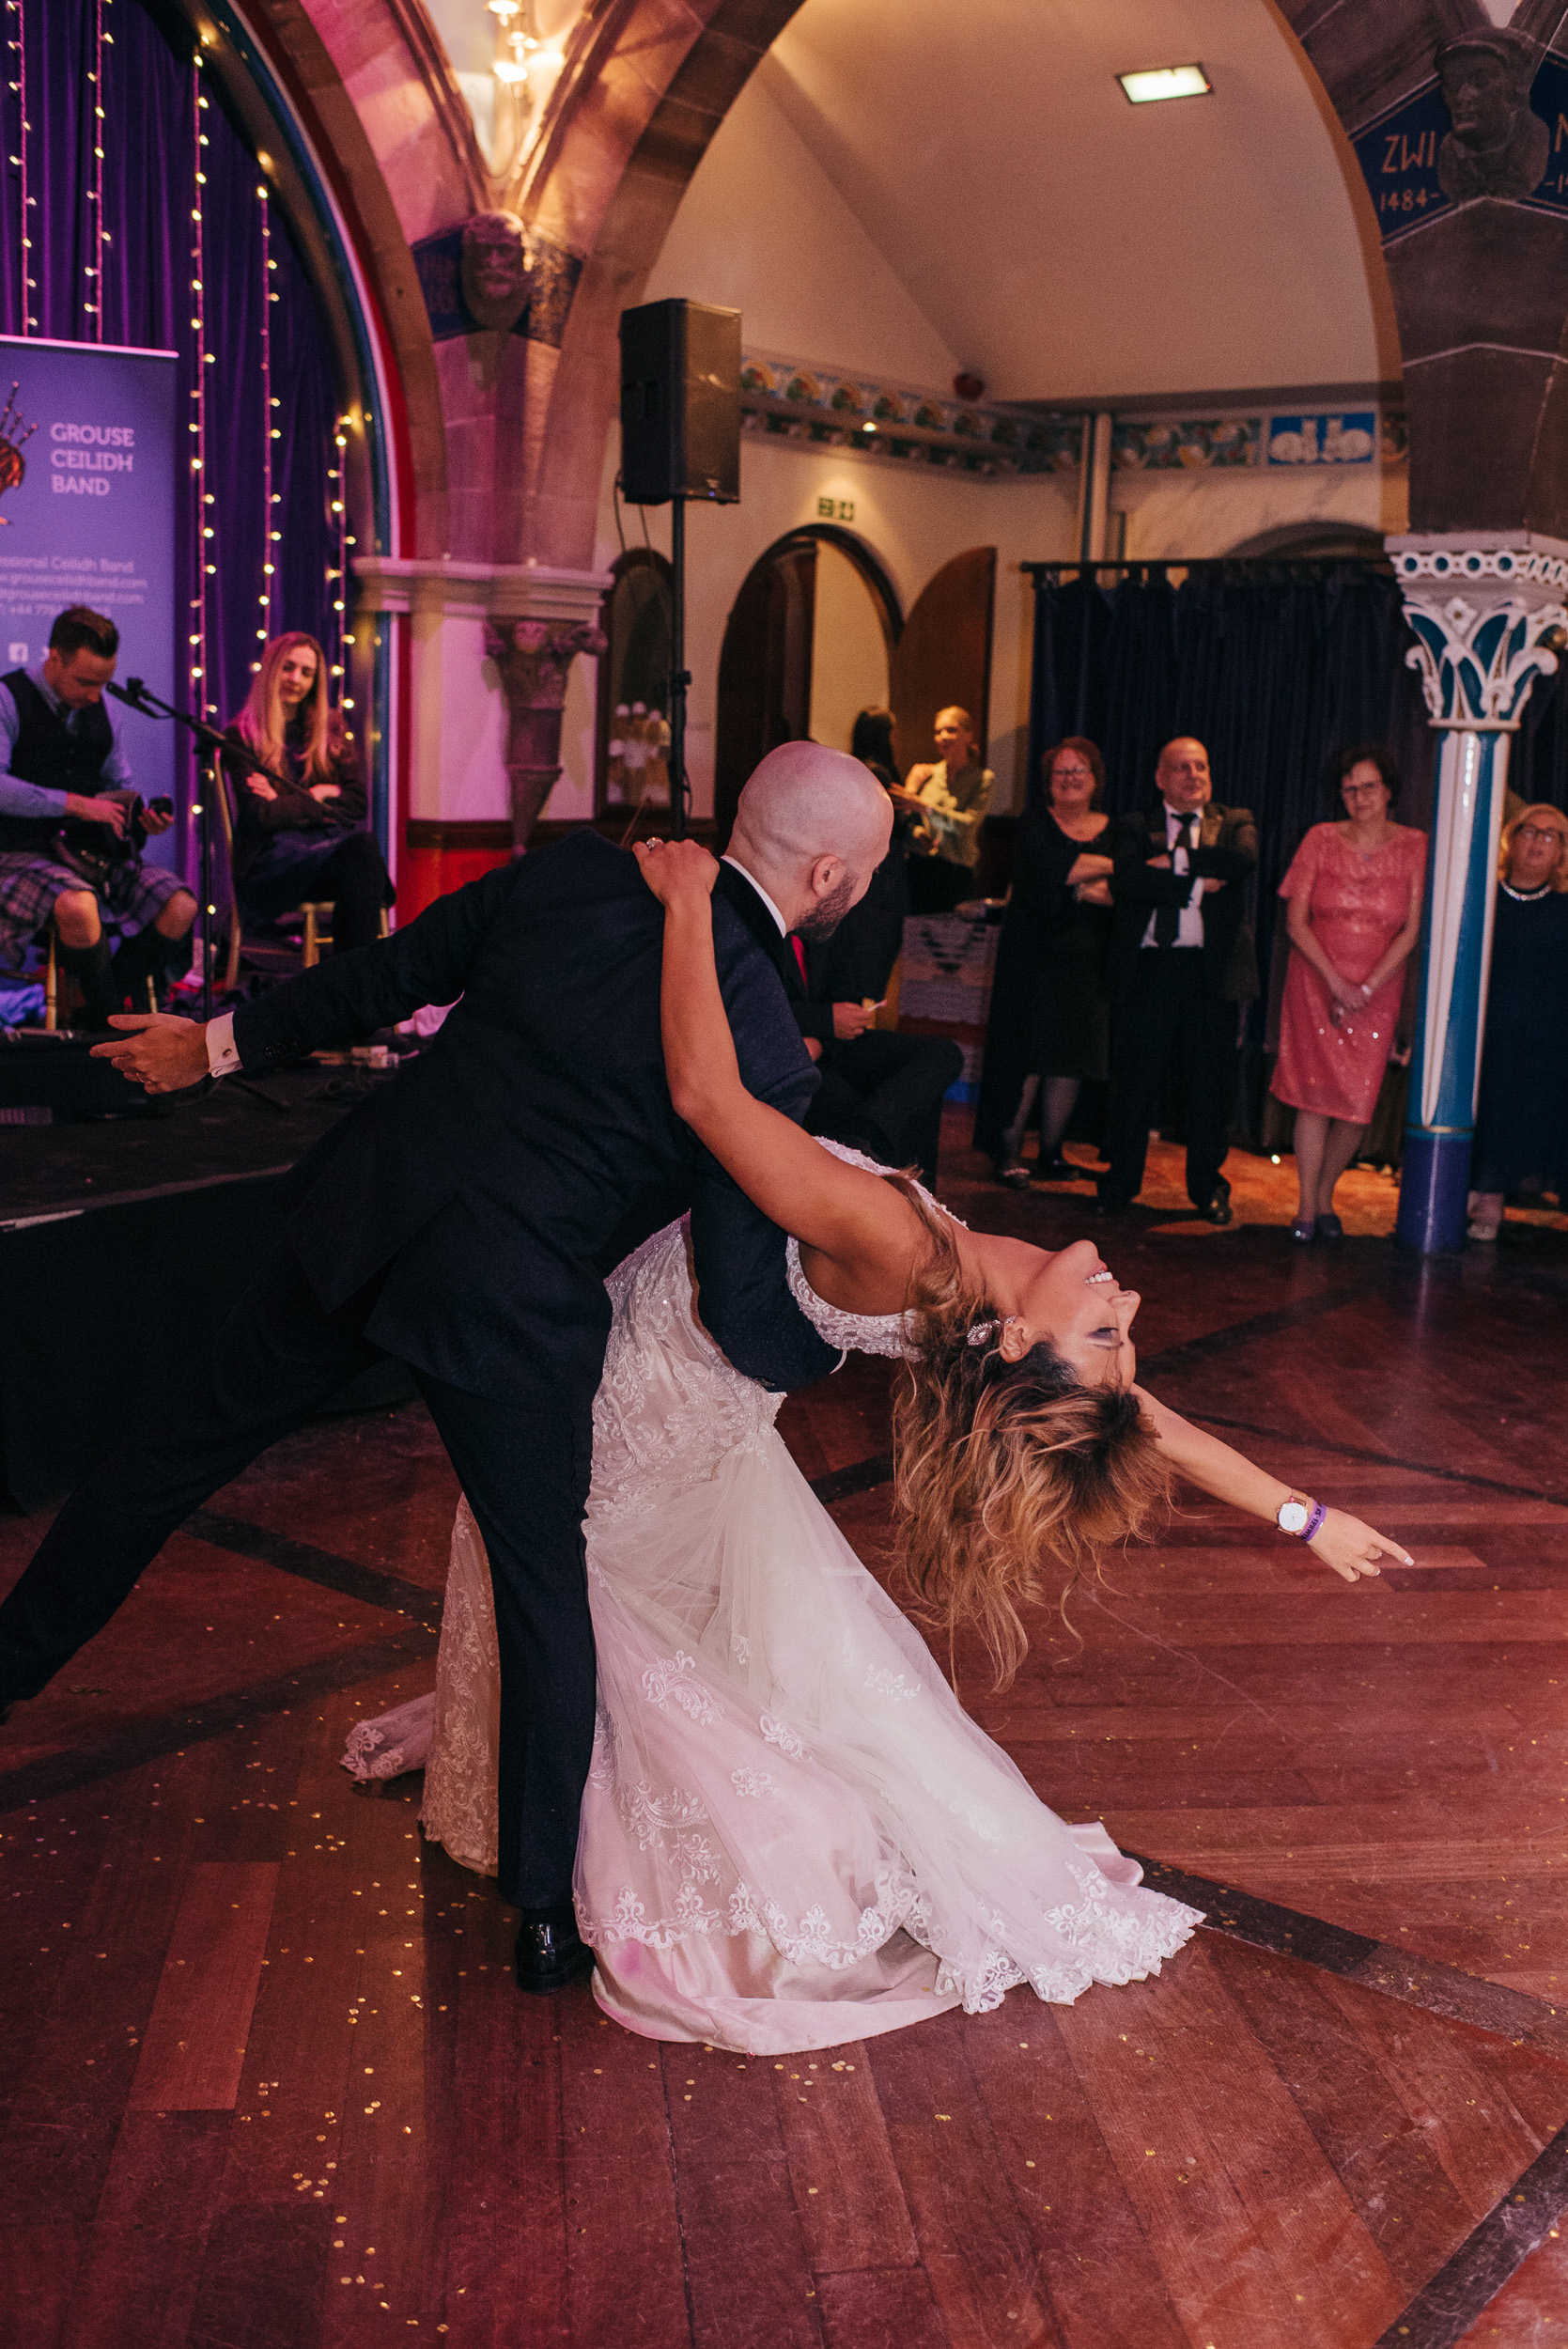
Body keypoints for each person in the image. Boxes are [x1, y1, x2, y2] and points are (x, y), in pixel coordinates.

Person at [346, 834, 1409, 2057]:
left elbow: (706, 1099)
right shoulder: (990, 1302)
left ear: (1017, 1348)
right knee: (705, 1655)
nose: (1131, 1311)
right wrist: (1306, 1517)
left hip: (643, 1421)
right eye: (1125, 1333)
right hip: (700, 1416)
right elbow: (1140, 1419)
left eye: (1104, 1330)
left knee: (625, 1626)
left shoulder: (908, 1254)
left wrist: (690, 902)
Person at [0, 743, 893, 2000]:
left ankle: (8, 1669)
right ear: (832, 872)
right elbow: (746, 1305)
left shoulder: (577, 874)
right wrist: (858, 1331)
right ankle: (542, 1910)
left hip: (370, 1214)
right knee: (543, 1590)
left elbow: (382, 978)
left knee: (167, 1454)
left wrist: (210, 1048)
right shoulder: (765, 1043)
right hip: (509, 1309)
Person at [0, 605, 195, 1026]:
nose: (95, 695)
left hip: (91, 855)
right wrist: (73, 803)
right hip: (18, 851)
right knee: (79, 907)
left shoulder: (106, 710)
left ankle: (93, 1015)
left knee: (180, 906)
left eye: (103, 682)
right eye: (86, 682)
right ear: (55, 658)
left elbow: (118, 783)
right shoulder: (7, 699)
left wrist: (140, 814)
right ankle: (110, 1028)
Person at [1096, 737, 1259, 1224]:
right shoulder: (1132, 826)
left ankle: (1208, 1188)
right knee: (1134, 1084)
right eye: (1182, 768)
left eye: (1201, 766)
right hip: (1148, 970)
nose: (1194, 775)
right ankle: (1120, 1183)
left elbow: (1240, 863)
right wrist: (1193, 882)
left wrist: (1174, 862)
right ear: (1160, 778)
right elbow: (1127, 880)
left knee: (1209, 1087)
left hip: (1210, 975)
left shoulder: (1234, 823)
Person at [1269, 746, 1426, 1242]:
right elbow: (1296, 921)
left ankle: (1325, 1194)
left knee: (1357, 1103)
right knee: (1313, 1098)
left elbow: (1411, 930)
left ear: (1389, 791)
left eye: (1368, 786)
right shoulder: (1319, 839)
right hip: (1315, 979)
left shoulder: (1416, 846)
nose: (1358, 797)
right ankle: (1306, 1209)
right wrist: (1337, 983)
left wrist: (1365, 986)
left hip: (1380, 985)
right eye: (1349, 788)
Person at [974, 737, 1114, 1189]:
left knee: (1070, 1058)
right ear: (1049, 783)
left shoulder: (1113, 828)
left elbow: (1120, 888)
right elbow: (1042, 873)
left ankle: (1052, 1151)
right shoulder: (1034, 824)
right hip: (1031, 961)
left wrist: (1071, 877)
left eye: (1079, 771)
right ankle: (1009, 1152)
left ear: (1095, 779)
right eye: (1061, 772)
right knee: (1028, 1056)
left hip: (1087, 963)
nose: (1070, 779)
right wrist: (1081, 878)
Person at [225, 631, 392, 956]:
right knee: (361, 857)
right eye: (288, 668)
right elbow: (263, 816)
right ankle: (355, 982)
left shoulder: (329, 726)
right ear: (272, 669)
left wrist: (289, 800)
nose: (295, 679)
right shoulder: (243, 734)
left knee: (361, 852)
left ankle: (349, 978)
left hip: (323, 854)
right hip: (270, 865)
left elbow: (357, 803)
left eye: (307, 672)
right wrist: (320, 796)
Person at [1467, 802, 1568, 1242]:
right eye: (1530, 831)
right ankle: (1475, 1194)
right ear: (1512, 838)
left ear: (1562, 851)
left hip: (1545, 1038)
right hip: (1483, 1031)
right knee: (1479, 1105)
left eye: (1551, 835)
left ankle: (1493, 1198)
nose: (1538, 841)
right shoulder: (1482, 899)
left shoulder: (1564, 908)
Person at [894, 706, 993, 914]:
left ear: (968, 735)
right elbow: (905, 821)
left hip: (956, 875)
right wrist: (915, 831)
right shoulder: (925, 773)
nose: (942, 737)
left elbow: (966, 826)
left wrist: (924, 807)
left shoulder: (982, 779)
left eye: (951, 730)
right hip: (919, 869)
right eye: (938, 732)